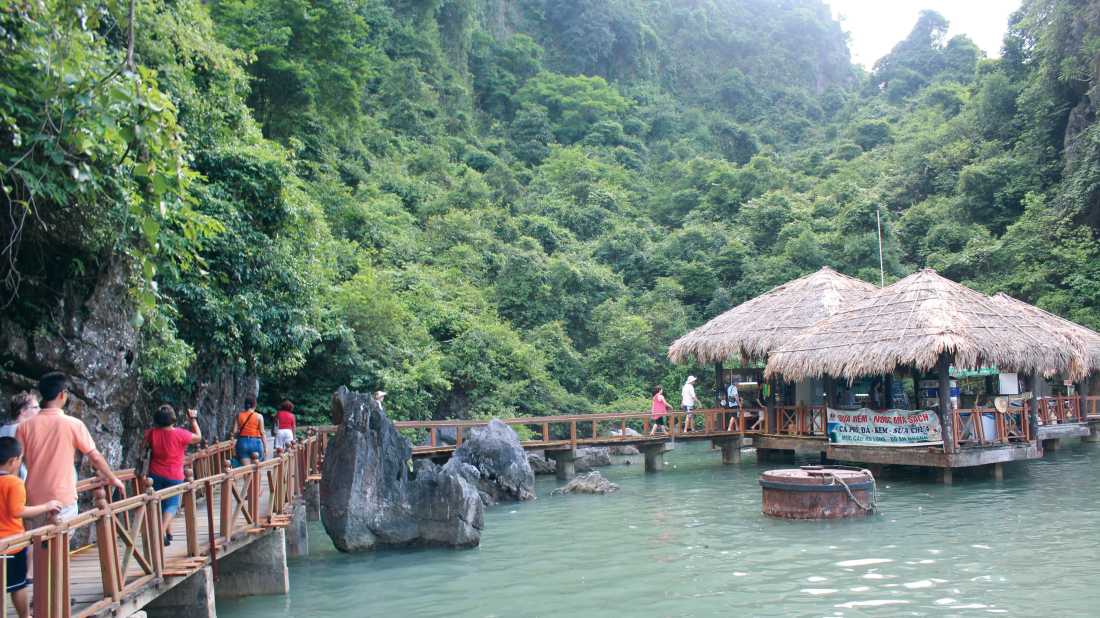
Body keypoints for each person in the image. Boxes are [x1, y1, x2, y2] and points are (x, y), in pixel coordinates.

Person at [16, 372, 124, 529]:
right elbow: (94, 456)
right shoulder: (73, 424)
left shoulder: (24, 427)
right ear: (62, 395)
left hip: (34, 500)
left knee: (38, 548)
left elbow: (17, 461)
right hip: (62, 498)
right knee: (61, 547)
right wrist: (113, 478)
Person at [0, 437, 62, 618]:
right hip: (12, 544)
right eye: (20, 459)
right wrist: (47, 506)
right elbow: (17, 510)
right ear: (13, 461)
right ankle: (24, 616)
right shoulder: (14, 482)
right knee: (17, 585)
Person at [144, 405, 201, 546]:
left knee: (161, 504)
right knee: (172, 505)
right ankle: (161, 531)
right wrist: (193, 420)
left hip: (154, 474)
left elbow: (143, 448)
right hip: (174, 474)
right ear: (173, 418)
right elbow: (199, 437)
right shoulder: (180, 434)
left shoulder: (151, 433)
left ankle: (168, 534)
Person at [1, 393, 39, 479]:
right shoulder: (24, 430)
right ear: (22, 411)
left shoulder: (3, 428)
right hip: (18, 478)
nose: (39, 410)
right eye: (35, 407)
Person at [233, 397, 266, 466]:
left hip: (242, 443)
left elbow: (234, 431)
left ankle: (247, 477)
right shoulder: (259, 416)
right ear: (254, 405)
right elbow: (262, 433)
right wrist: (265, 448)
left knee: (247, 471)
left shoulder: (239, 415)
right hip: (256, 442)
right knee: (256, 469)